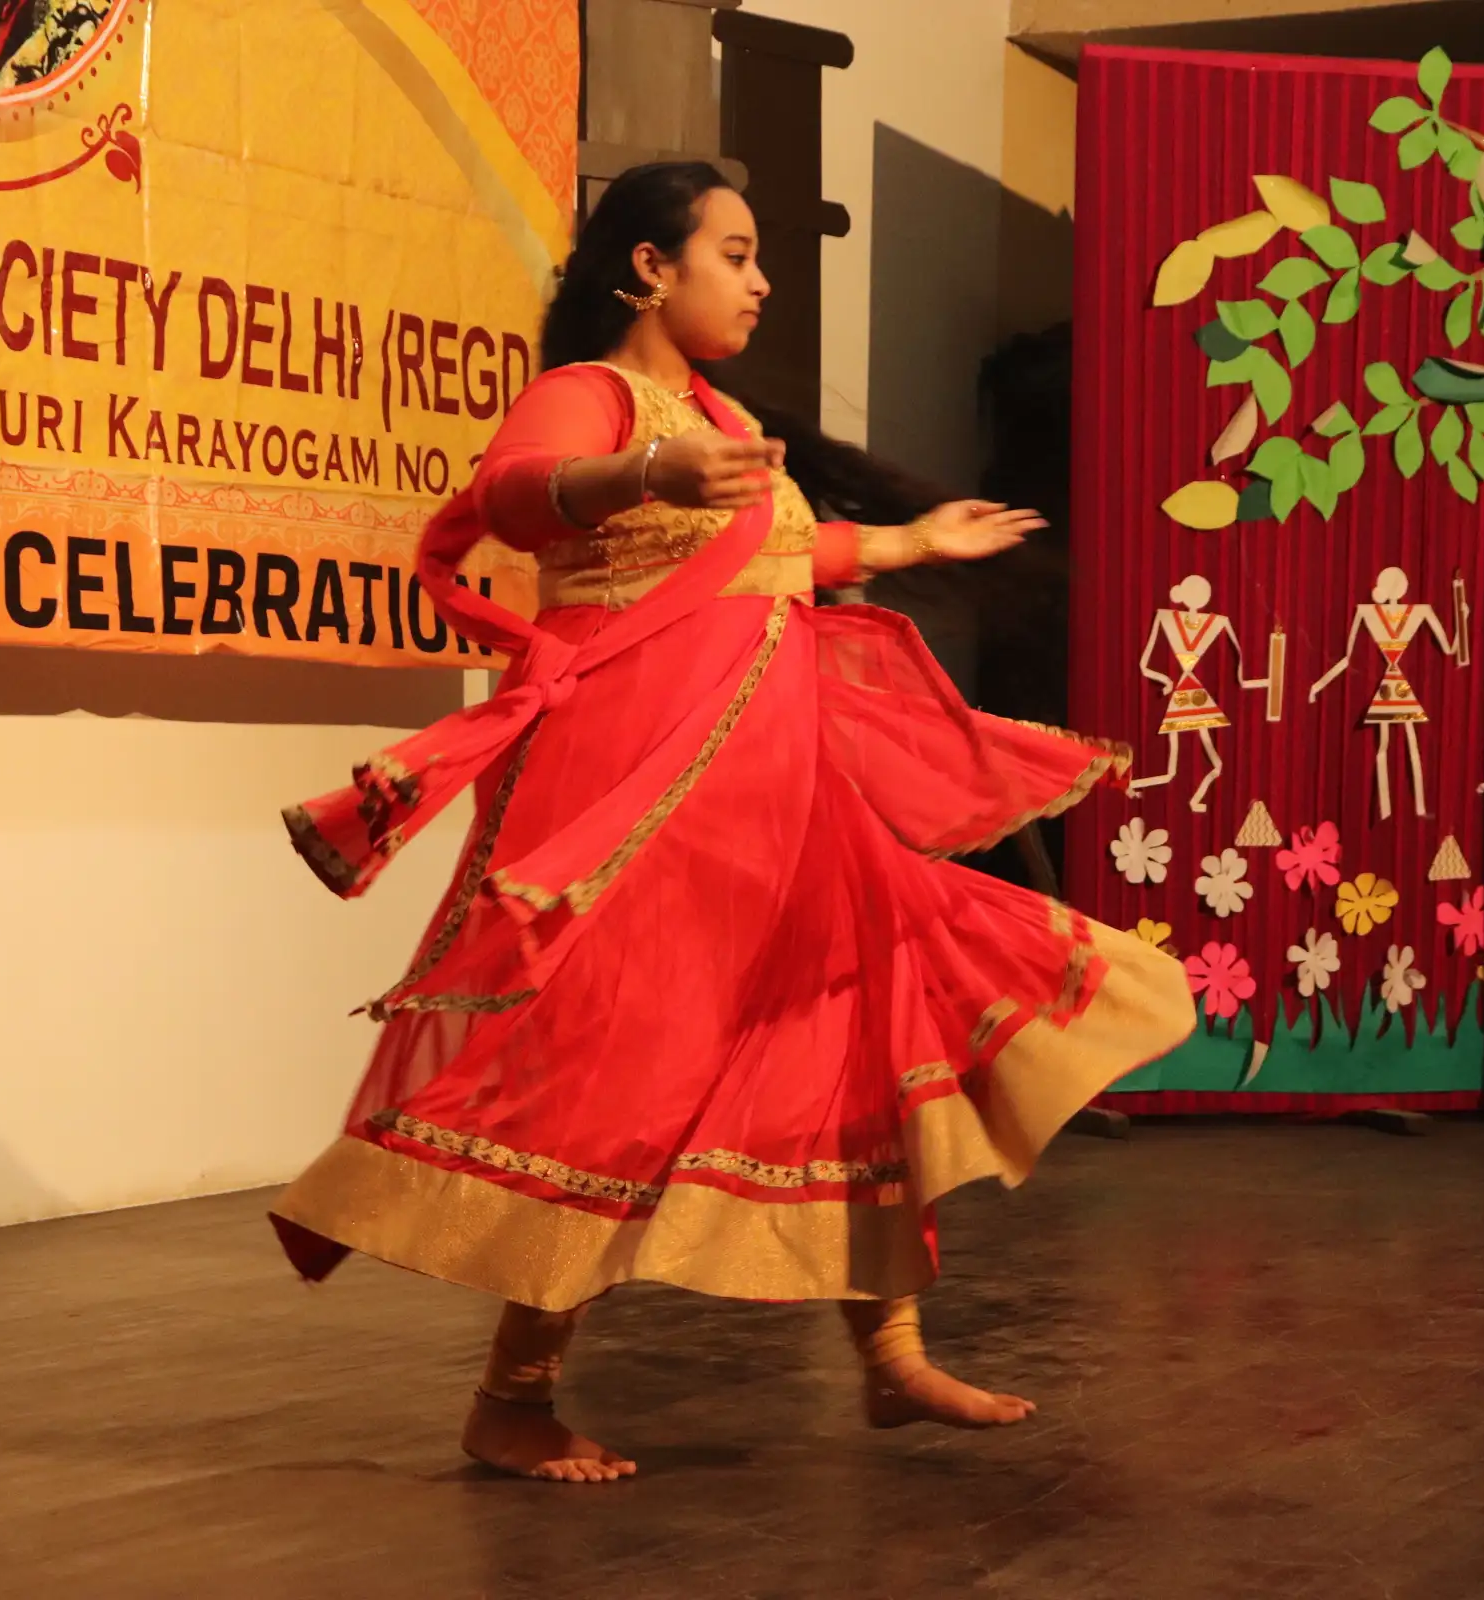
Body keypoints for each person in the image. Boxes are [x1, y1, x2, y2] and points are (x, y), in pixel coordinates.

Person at [268, 162, 1193, 1483]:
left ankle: (891, 1355)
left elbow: (764, 562)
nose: (762, 283)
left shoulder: (722, 417)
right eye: (737, 253)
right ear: (650, 269)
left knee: (857, 1032)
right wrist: (646, 465)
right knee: (612, 1072)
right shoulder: (588, 395)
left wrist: (912, 544)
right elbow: (516, 497)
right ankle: (513, 1398)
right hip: (637, 787)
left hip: (776, 790)